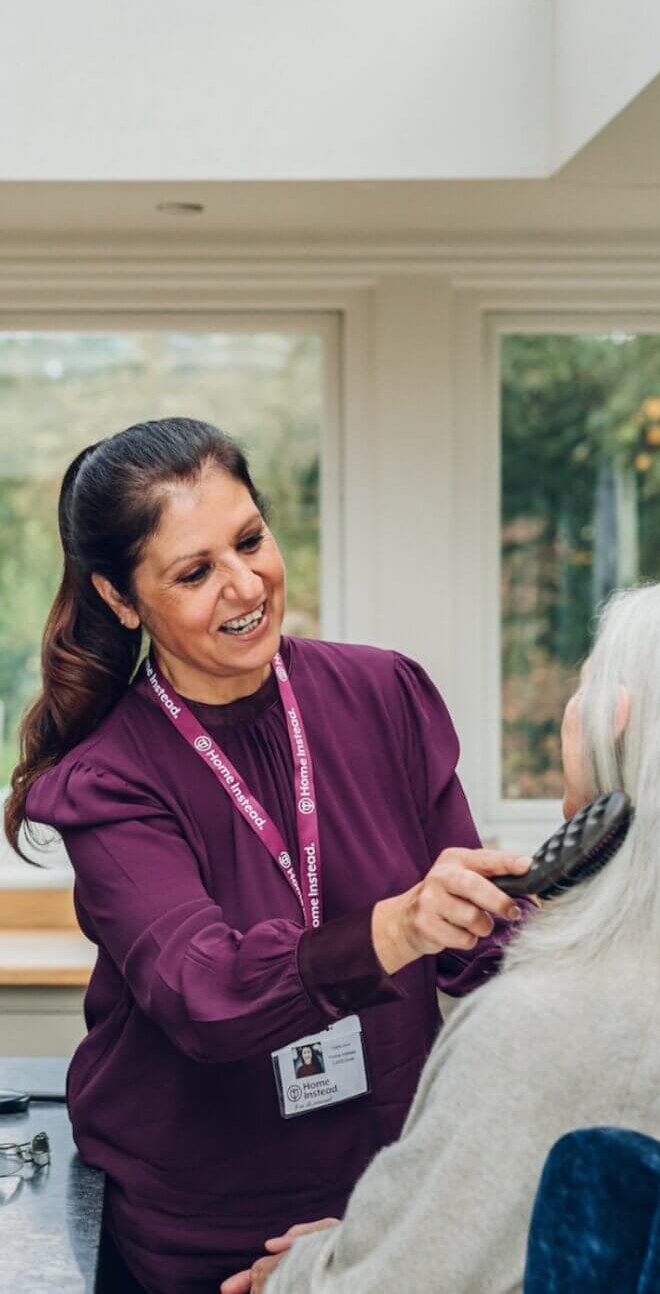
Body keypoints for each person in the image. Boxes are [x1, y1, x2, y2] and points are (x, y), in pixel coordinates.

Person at [224, 577, 660, 1294]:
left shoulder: (536, 1027)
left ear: (617, 724)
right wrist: (371, 1240)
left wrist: (297, 1272)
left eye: (583, 687)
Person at [3, 417, 531, 1294]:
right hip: (200, 1242)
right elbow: (203, 992)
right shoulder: (109, 778)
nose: (245, 584)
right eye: (194, 571)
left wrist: (562, 911)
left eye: (251, 540)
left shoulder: (384, 694)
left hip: (381, 1215)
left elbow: (477, 945)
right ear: (122, 599)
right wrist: (396, 927)